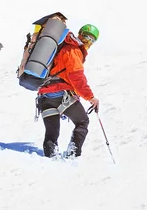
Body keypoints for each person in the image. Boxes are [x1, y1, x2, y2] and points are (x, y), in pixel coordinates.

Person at [36, 23, 100, 159]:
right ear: (80, 34)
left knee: (51, 132)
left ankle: (50, 159)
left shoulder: (62, 47)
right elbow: (77, 77)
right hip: (60, 93)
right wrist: (91, 97)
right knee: (82, 122)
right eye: (87, 37)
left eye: (92, 40)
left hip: (44, 96)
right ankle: (73, 155)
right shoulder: (73, 49)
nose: (88, 41)